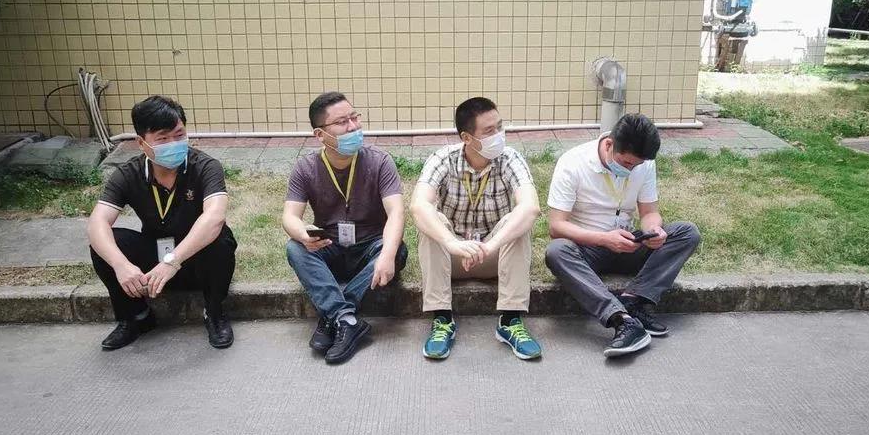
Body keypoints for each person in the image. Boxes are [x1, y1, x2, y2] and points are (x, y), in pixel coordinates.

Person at [544, 113, 701, 357]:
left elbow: (649, 212)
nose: (631, 169)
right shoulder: (572, 163)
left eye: (636, 165)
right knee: (556, 251)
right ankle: (622, 320)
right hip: (587, 248)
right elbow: (556, 226)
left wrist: (654, 230)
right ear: (609, 144)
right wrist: (604, 239)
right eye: (627, 163)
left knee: (687, 232)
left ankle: (633, 300)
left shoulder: (643, 164)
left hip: (628, 244)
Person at [88, 95, 237, 350]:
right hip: (154, 261)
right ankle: (136, 317)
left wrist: (173, 261)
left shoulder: (206, 166)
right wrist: (121, 265)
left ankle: (214, 313)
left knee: (220, 237)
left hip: (195, 258)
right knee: (106, 243)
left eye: (179, 135)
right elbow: (97, 222)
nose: (174, 144)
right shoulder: (128, 174)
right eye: (163, 138)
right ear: (142, 143)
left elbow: (214, 216)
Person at [410, 97, 542, 360]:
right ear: (466, 137)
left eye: (500, 127)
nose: (499, 135)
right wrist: (452, 243)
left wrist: (490, 246)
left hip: (494, 254)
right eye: (489, 131)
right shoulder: (444, 159)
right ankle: (442, 319)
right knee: (432, 220)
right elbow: (417, 205)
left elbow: (531, 207)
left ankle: (510, 320)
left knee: (518, 220)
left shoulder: (510, 158)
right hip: (452, 256)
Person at [282, 91, 408, 364]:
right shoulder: (306, 167)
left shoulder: (379, 161)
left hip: (370, 248)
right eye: (342, 122)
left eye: (354, 117)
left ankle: (335, 315)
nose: (353, 127)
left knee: (396, 250)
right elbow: (290, 216)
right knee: (295, 248)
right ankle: (347, 319)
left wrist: (387, 255)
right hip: (330, 246)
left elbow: (396, 211)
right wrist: (303, 234)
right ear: (320, 135)